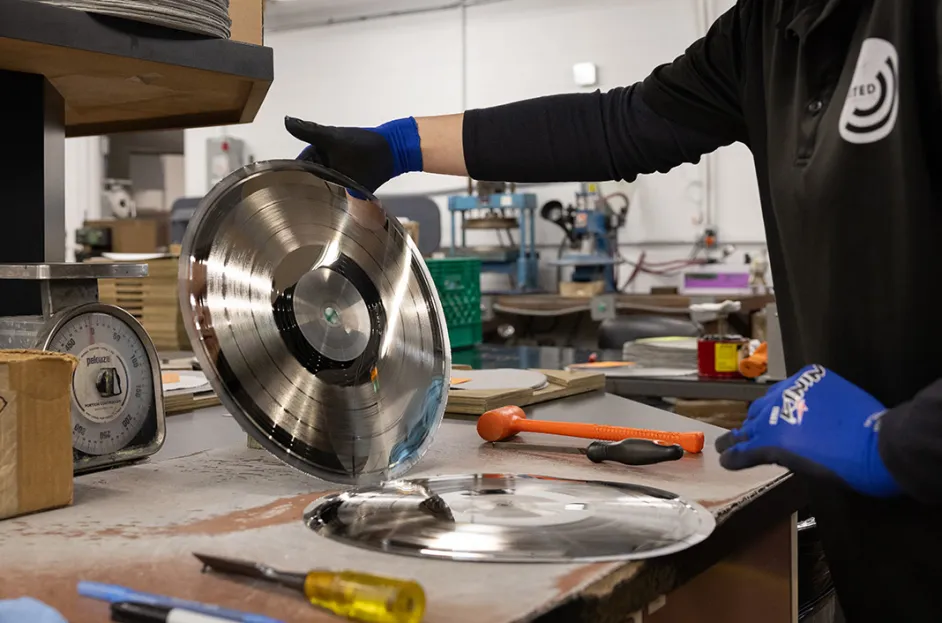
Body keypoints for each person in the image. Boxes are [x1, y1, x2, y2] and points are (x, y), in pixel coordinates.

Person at [284, 1, 942, 619]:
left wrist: (896, 441)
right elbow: (618, 124)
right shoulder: (766, 28)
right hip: (879, 552)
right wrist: (399, 145)